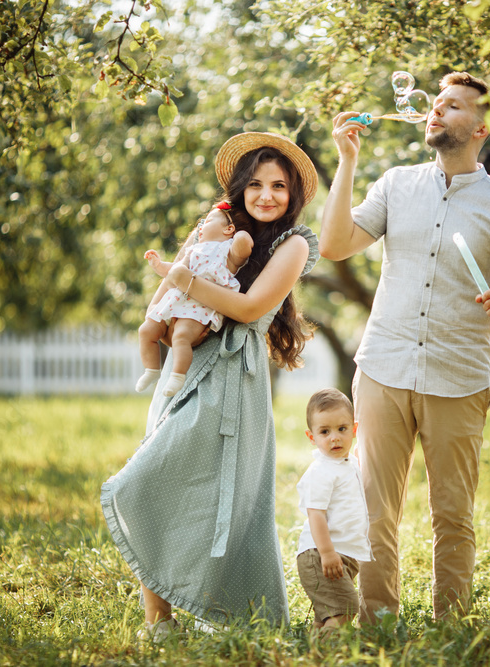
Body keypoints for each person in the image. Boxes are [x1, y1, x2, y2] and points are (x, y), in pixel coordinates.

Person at [319, 72, 490, 622]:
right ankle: (378, 618)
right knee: (373, 508)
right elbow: (334, 245)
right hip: (384, 368)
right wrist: (347, 161)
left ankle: (452, 623)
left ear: (481, 127)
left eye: (454, 106)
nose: (437, 111)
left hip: (458, 377)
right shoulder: (395, 184)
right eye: (435, 103)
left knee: (452, 513)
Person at [101, 132, 320, 641]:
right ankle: (161, 623)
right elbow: (162, 300)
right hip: (184, 368)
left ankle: (240, 618)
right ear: (240, 188)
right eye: (257, 185)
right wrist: (176, 288)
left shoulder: (294, 245)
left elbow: (246, 308)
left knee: (224, 502)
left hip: (233, 381)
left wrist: (183, 280)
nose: (266, 195)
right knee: (147, 483)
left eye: (279, 187)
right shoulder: (215, 228)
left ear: (294, 195)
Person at [136, 204, 254, 397]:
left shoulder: (228, 251)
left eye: (206, 222)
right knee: (146, 329)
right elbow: (174, 270)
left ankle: (178, 374)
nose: (200, 227)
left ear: (228, 229)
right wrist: (158, 265)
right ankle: (151, 370)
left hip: (199, 306)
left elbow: (244, 247)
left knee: (181, 336)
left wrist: (240, 233)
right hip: (175, 300)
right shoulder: (194, 249)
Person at [295, 388, 371, 631]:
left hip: (343, 554)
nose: (335, 438)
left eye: (342, 429)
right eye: (325, 432)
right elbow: (315, 514)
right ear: (311, 436)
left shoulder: (350, 464)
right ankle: (333, 653)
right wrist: (327, 553)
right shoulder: (321, 471)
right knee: (346, 606)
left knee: (329, 614)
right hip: (321, 554)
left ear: (354, 429)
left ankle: (315, 652)